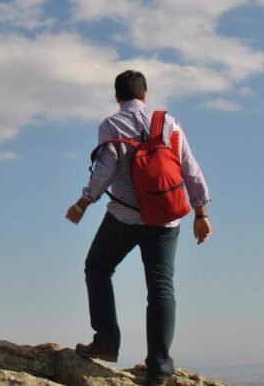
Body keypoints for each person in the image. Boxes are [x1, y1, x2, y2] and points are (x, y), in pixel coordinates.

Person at [65, 70, 211, 385]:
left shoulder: (112, 124)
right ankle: (159, 370)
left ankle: (106, 340)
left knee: (98, 268)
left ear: (117, 96)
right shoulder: (169, 123)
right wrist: (201, 212)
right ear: (145, 95)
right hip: (166, 220)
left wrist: (83, 203)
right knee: (161, 290)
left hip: (125, 217)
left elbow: (105, 169)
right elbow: (190, 168)